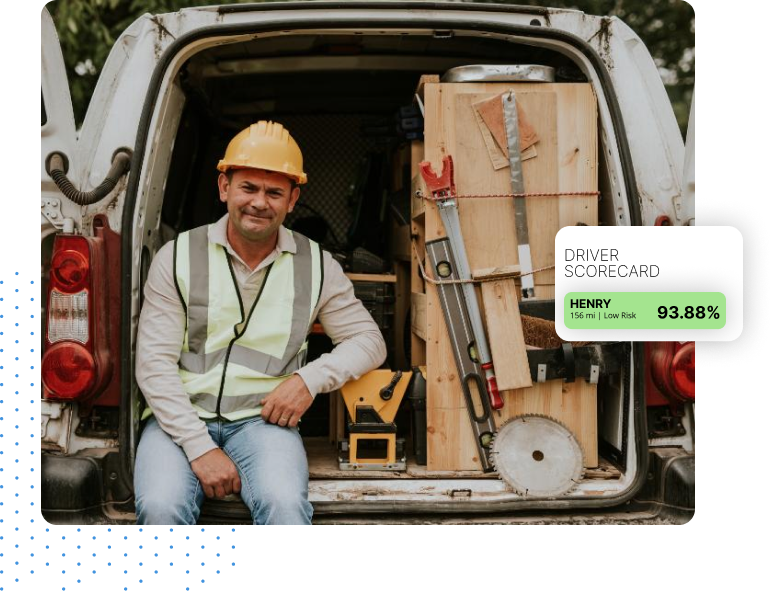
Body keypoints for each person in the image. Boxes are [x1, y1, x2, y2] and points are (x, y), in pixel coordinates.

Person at [133, 120, 387, 527]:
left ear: (293, 200)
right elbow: (153, 366)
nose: (259, 203)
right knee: (162, 508)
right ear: (224, 189)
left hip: (263, 425)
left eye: (274, 192)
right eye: (248, 188)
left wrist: (309, 380)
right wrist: (200, 448)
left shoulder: (317, 264)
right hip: (178, 420)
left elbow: (369, 340)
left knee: (286, 510)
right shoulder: (177, 256)